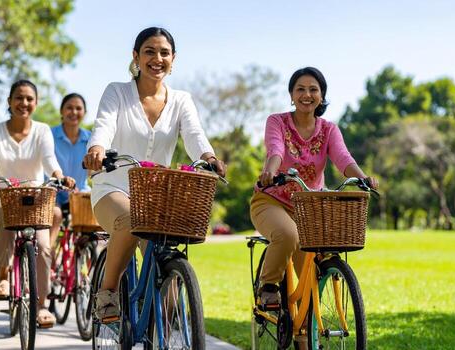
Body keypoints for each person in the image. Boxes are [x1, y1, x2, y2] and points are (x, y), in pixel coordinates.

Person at [83, 27, 227, 323]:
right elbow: (104, 125)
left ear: (173, 59)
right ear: (136, 56)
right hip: (112, 187)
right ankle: (108, 291)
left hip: (156, 195)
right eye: (149, 51)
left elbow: (194, 134)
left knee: (170, 285)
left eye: (164, 53)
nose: (157, 58)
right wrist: (97, 149)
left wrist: (208, 157)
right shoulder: (117, 92)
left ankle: (159, 325)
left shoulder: (181, 100)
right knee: (129, 222)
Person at [250, 67, 378, 347]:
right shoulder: (278, 122)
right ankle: (269, 286)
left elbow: (343, 158)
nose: (307, 95)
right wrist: (271, 170)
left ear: (321, 96)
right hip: (271, 200)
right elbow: (276, 150)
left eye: (313, 89)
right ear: (292, 95)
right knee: (288, 235)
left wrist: (361, 177)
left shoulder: (329, 129)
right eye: (300, 89)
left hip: (309, 208)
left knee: (318, 262)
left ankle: (304, 330)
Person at [0, 80, 75, 328]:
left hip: (34, 198)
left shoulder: (41, 131)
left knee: (42, 245)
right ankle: (3, 276)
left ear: (36, 103)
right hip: (2, 194)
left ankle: (42, 306)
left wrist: (59, 176)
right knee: (6, 215)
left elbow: (49, 158)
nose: (24, 103)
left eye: (30, 99)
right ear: (9, 102)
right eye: (19, 98)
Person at [49, 93, 91, 246]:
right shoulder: (49, 135)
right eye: (69, 108)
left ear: (84, 113)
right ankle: (47, 257)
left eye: (78, 108)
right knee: (54, 217)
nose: (74, 112)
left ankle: (88, 256)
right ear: (61, 111)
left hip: (79, 191)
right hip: (53, 192)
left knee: (97, 213)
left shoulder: (91, 139)